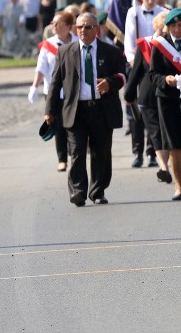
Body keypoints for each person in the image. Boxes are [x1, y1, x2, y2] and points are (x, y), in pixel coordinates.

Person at [44, 12, 127, 207]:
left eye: (88, 27)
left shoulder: (111, 51)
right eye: (79, 27)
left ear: (96, 29)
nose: (83, 30)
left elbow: (123, 75)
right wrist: (50, 110)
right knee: (77, 152)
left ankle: (97, 191)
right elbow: (55, 84)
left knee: (101, 152)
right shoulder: (65, 52)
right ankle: (78, 192)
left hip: (102, 109)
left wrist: (110, 83)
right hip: (76, 111)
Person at [149, 8, 181, 200]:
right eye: (173, 26)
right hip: (168, 100)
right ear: (168, 27)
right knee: (174, 144)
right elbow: (153, 75)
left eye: (180, 25)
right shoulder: (160, 45)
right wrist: (166, 79)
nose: (177, 29)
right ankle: (179, 186)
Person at [124, 0, 167, 168]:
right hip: (138, 65)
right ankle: (137, 151)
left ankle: (152, 151)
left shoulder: (163, 12)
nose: (150, 1)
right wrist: (136, 64)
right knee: (136, 109)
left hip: (157, 67)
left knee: (153, 108)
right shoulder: (133, 13)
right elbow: (129, 41)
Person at [29, 11, 77, 171]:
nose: (53, 26)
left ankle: (75, 154)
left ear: (69, 26)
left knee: (74, 125)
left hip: (73, 92)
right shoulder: (48, 45)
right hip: (53, 93)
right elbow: (41, 69)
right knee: (59, 126)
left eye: (58, 23)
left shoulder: (77, 42)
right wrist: (34, 87)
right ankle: (62, 159)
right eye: (53, 23)